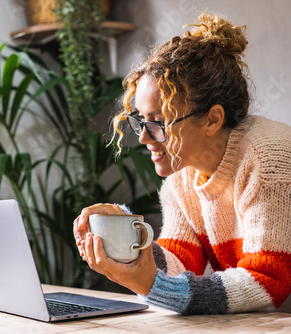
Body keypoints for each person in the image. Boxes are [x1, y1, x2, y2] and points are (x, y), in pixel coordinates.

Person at [73, 13, 291, 315]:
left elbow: (268, 282)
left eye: (159, 122)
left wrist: (151, 285)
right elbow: (176, 264)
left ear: (213, 119)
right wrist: (125, 234)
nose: (145, 138)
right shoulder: (181, 181)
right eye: (141, 121)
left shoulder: (269, 161)